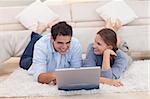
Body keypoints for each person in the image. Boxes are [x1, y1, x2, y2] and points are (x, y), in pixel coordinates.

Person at [83, 19, 129, 87]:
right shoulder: (92, 47)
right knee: (112, 42)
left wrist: (106, 54)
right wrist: (107, 81)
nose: (94, 46)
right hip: (111, 47)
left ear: (109, 48)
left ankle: (114, 30)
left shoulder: (122, 58)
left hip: (123, 52)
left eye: (98, 44)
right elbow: (88, 74)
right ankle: (112, 30)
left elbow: (108, 77)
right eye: (95, 41)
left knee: (121, 46)